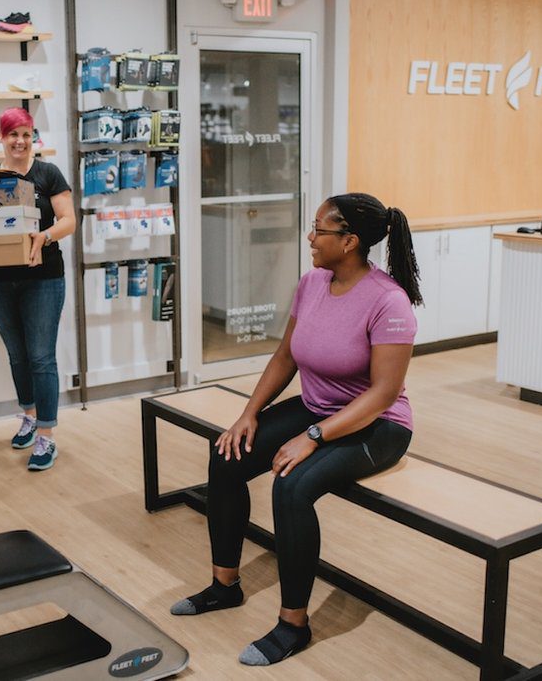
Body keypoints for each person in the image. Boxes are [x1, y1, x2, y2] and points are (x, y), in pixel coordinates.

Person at [170, 193, 423, 666]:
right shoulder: (312, 283)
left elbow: (383, 394)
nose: (310, 237)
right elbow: (286, 356)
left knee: (291, 484)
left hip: (377, 426)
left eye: (319, 230)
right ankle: (224, 586)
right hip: (317, 406)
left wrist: (312, 437)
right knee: (226, 455)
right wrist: (250, 413)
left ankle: (293, 624)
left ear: (349, 241)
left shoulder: (389, 302)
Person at [0, 108, 75, 471]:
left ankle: (46, 435)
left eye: (26, 134)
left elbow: (69, 220)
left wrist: (43, 237)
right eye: (13, 134)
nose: (20, 141)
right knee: (17, 354)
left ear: (33, 136)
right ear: (0, 136)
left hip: (43, 278)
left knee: (42, 356)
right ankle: (28, 414)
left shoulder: (48, 173)